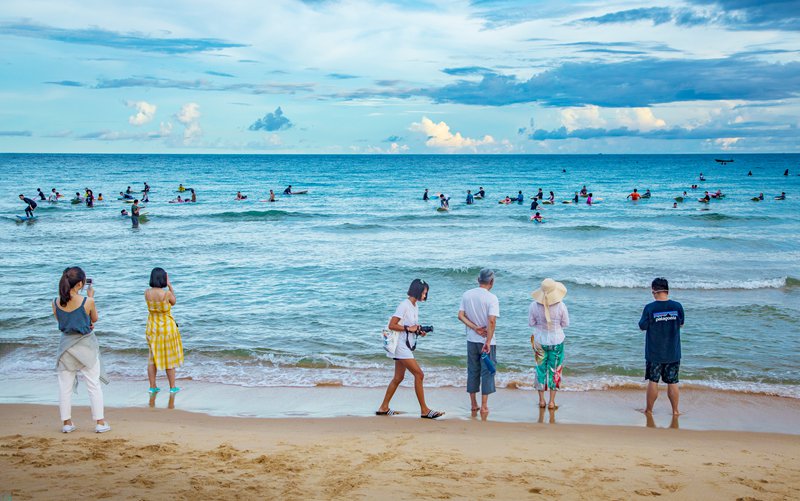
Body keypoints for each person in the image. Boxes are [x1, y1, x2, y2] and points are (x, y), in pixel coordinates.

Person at [53, 266, 110, 433]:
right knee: (93, 385)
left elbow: (63, 324)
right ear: (79, 284)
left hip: (65, 347)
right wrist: (91, 297)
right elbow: (94, 319)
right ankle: (100, 423)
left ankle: (67, 423)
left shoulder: (55, 302)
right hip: (86, 347)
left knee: (65, 387)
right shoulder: (87, 301)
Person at [376, 279, 443, 419]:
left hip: (406, 345)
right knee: (419, 375)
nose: (425, 296)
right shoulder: (404, 305)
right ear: (418, 291)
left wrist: (418, 331)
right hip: (401, 347)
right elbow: (392, 325)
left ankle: (383, 407)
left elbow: (411, 327)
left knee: (398, 377)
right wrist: (408, 328)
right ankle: (424, 410)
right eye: (424, 293)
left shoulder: (414, 306)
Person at [638, 277, 684, 416]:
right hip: (673, 351)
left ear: (654, 291)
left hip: (654, 352)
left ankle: (649, 410)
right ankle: (675, 411)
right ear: (667, 290)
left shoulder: (650, 308)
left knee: (653, 381)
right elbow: (681, 324)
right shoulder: (677, 306)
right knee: (673, 382)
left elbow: (642, 326)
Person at [458, 269, 499, 418]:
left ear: (478, 279)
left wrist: (474, 328)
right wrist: (488, 341)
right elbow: (492, 320)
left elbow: (460, 316)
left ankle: (473, 404)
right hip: (486, 342)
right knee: (487, 372)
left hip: (471, 339)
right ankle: (484, 406)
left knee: (473, 371)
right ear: (491, 282)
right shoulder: (492, 298)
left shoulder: (467, 295)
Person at [529, 278, 569, 409]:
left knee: (540, 369)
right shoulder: (561, 306)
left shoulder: (534, 305)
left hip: (540, 340)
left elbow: (531, 323)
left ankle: (541, 400)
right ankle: (551, 402)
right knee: (555, 370)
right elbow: (565, 324)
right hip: (557, 340)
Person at [145, 267, 184, 394]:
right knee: (169, 358)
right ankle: (172, 387)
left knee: (152, 358)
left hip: (152, 327)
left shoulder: (147, 293)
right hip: (166, 328)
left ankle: (152, 386)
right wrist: (170, 285)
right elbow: (174, 302)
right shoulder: (166, 294)